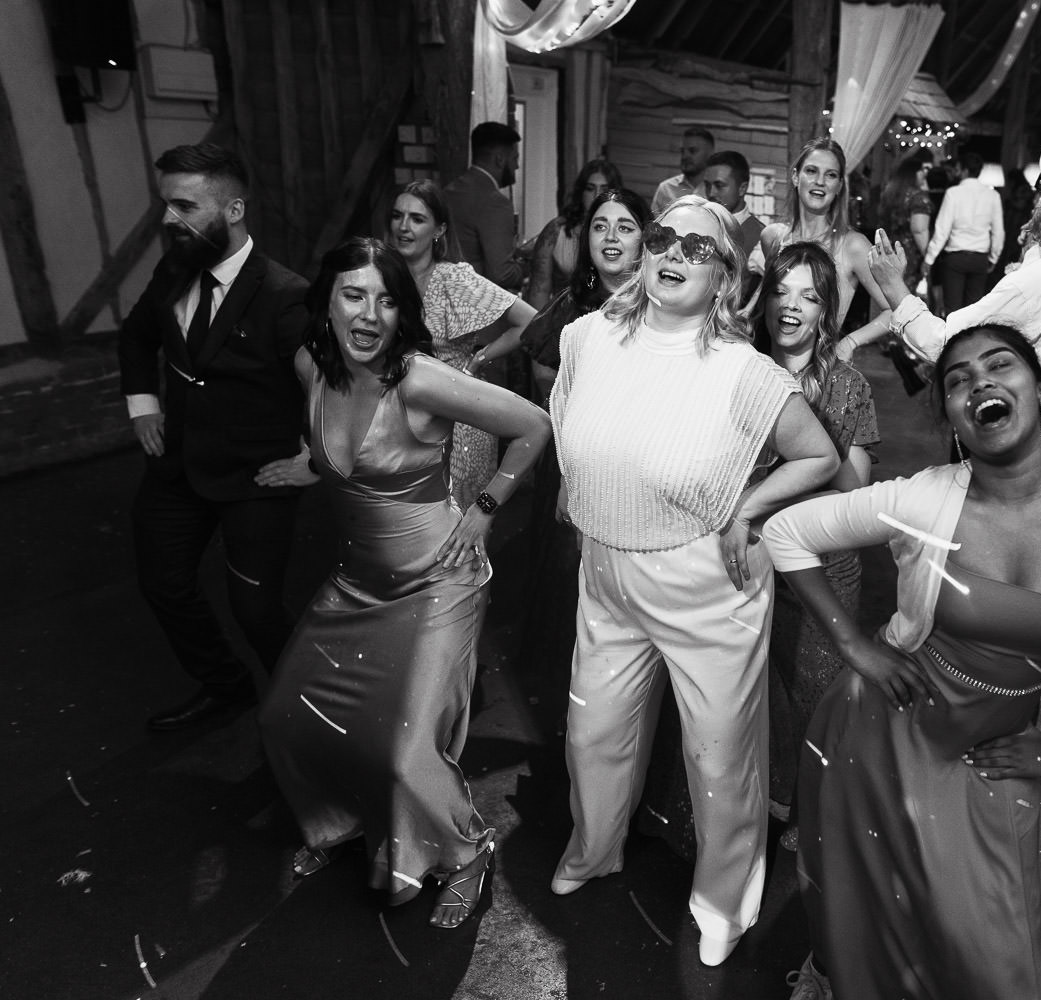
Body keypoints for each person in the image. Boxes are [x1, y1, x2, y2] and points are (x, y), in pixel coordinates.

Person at [763, 323, 1041, 1000]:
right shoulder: (924, 499)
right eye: (957, 379)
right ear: (950, 416)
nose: (979, 382)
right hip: (879, 738)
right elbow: (786, 533)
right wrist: (854, 644)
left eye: (1000, 366)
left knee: (997, 951)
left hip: (991, 755)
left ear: (1040, 391)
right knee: (875, 915)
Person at [548, 196, 840, 966]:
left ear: (725, 280)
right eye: (661, 237)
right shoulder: (587, 340)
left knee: (720, 756)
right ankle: (595, 845)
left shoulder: (744, 373)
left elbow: (821, 458)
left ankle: (723, 902)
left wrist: (750, 507)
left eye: (697, 247)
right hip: (606, 572)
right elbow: (571, 430)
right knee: (592, 731)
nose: (672, 252)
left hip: (706, 587)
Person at [259, 237, 551, 927]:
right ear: (325, 301)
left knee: (403, 747)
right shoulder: (311, 367)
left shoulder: (418, 378)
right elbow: (334, 454)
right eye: (353, 295)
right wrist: (311, 465)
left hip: (438, 582)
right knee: (285, 717)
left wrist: (484, 508)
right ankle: (342, 821)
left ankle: (466, 850)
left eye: (388, 300)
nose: (370, 315)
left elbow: (533, 426)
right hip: (356, 583)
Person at [117, 142, 314, 732]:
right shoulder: (170, 269)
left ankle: (309, 723)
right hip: (177, 465)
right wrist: (143, 406)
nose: (167, 219)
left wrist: (315, 458)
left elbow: (327, 387)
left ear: (232, 209)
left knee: (256, 611)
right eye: (165, 204)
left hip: (258, 477)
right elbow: (134, 338)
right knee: (162, 584)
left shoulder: (287, 294)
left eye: (184, 206)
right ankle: (226, 686)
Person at [865, 144, 1041, 461]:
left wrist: (893, 285)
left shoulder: (1040, 280)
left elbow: (946, 342)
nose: (1034, 203)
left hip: (1014, 455)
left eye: (1040, 193)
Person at [754, 243, 880, 848]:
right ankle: (771, 793)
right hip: (751, 560)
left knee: (815, 700)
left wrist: (808, 433)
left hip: (823, 569)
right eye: (781, 290)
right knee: (760, 695)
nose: (791, 306)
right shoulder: (742, 371)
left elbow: (853, 495)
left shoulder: (850, 387)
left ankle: (812, 809)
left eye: (808, 295)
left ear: (827, 310)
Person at [515, 187, 651, 704]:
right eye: (600, 226)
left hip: (638, 471)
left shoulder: (661, 306)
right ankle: (562, 708)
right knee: (566, 582)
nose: (611, 236)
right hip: (572, 461)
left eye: (625, 226)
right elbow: (546, 374)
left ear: (646, 239)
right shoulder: (572, 307)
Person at [388, 180, 537, 508]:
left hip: (460, 417)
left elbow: (530, 320)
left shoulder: (452, 278)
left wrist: (478, 360)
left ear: (439, 229)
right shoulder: (383, 278)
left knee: (457, 525)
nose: (403, 226)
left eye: (417, 219)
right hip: (403, 413)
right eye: (398, 216)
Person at [759, 138, 890, 333]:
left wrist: (850, 343)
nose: (820, 182)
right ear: (796, 177)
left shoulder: (853, 246)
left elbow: (894, 310)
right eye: (811, 171)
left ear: (839, 186)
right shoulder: (772, 236)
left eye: (830, 175)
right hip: (770, 357)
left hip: (821, 360)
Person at [524, 158, 623, 309]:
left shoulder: (624, 234)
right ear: (581, 192)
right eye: (590, 188)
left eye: (604, 189)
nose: (597, 194)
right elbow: (539, 291)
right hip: (560, 321)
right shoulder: (557, 230)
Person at [443, 122, 524, 291]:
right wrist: (532, 264)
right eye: (515, 158)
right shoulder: (495, 202)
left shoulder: (448, 191)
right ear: (500, 159)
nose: (516, 166)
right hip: (472, 302)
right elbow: (503, 274)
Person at [922, 151, 1005, 314]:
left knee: (952, 310)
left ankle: (952, 340)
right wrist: (994, 257)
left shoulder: (953, 193)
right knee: (973, 311)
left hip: (955, 258)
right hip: (979, 258)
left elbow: (942, 230)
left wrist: (929, 259)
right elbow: (998, 232)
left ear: (964, 170)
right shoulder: (993, 195)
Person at [878, 153, 933, 290]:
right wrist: (929, 257)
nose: (924, 173)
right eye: (921, 170)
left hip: (888, 252)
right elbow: (919, 230)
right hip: (910, 257)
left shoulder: (890, 193)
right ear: (913, 173)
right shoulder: (918, 197)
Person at [704, 150, 765, 259]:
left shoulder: (761, 240)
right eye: (708, 185)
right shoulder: (699, 227)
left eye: (719, 185)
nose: (711, 193)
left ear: (742, 189)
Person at [651, 126, 715, 215]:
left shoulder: (717, 189)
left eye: (692, 151)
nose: (685, 156)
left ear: (710, 153)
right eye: (682, 151)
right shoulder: (666, 189)